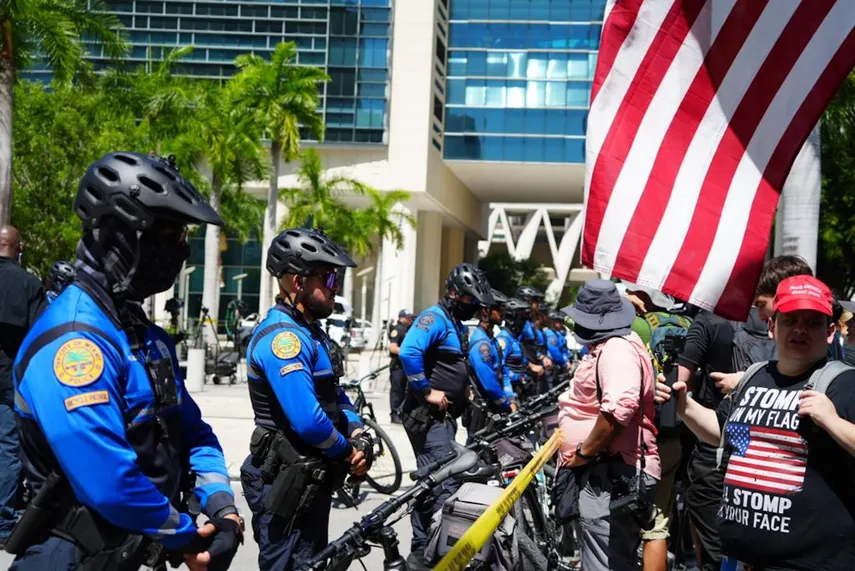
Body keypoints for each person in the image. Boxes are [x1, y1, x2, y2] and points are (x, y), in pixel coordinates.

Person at [9, 152, 241, 569]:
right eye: (169, 235)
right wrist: (188, 536)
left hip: (134, 554)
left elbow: (192, 430)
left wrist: (223, 506)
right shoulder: (75, 344)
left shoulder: (143, 335)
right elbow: (111, 483)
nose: (180, 251)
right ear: (119, 233)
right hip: (75, 556)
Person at [656, 275, 855, 570]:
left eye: (812, 322)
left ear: (828, 332)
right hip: (740, 560)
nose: (799, 329)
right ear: (772, 326)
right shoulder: (754, 376)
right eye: (790, 320)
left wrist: (831, 421)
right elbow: (722, 432)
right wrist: (684, 406)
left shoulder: (845, 383)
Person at [239, 227, 371, 570]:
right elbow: (309, 421)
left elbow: (335, 393)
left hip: (312, 478)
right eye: (328, 278)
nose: (336, 287)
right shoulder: (284, 339)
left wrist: (358, 435)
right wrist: (346, 451)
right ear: (298, 283)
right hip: (284, 483)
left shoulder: (310, 333)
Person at [556, 279, 660, 571]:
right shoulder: (612, 347)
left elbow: (619, 409)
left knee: (606, 563)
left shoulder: (616, 349)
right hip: (607, 470)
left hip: (611, 471)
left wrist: (584, 454)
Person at [399, 263, 493, 567]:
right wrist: (426, 391)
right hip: (427, 418)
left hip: (444, 418)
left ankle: (428, 548)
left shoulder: (453, 322)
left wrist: (462, 390)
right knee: (439, 485)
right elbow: (408, 352)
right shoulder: (433, 318)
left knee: (438, 481)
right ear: (453, 293)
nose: (474, 307)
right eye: (470, 300)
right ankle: (424, 552)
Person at [0, 226, 46, 548]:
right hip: (8, 382)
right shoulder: (29, 284)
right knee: (7, 449)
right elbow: (41, 338)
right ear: (18, 248)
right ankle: (3, 523)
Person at [466, 289, 513, 441]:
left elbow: (501, 370)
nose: (503, 313)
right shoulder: (482, 344)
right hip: (482, 410)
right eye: (499, 309)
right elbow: (489, 383)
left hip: (493, 406)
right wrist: (505, 404)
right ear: (486, 311)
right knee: (477, 453)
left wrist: (509, 397)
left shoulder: (491, 339)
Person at [496, 298, 532, 404]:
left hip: (520, 391)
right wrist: (517, 377)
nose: (524, 320)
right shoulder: (504, 339)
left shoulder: (514, 338)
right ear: (511, 318)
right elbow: (501, 370)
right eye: (521, 316)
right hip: (510, 393)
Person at [389, 309, 415, 424]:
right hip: (398, 366)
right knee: (397, 391)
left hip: (406, 365)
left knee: (406, 391)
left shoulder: (410, 330)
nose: (410, 320)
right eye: (408, 317)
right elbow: (393, 347)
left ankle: (402, 412)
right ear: (402, 318)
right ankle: (394, 414)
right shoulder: (397, 330)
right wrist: (407, 352)